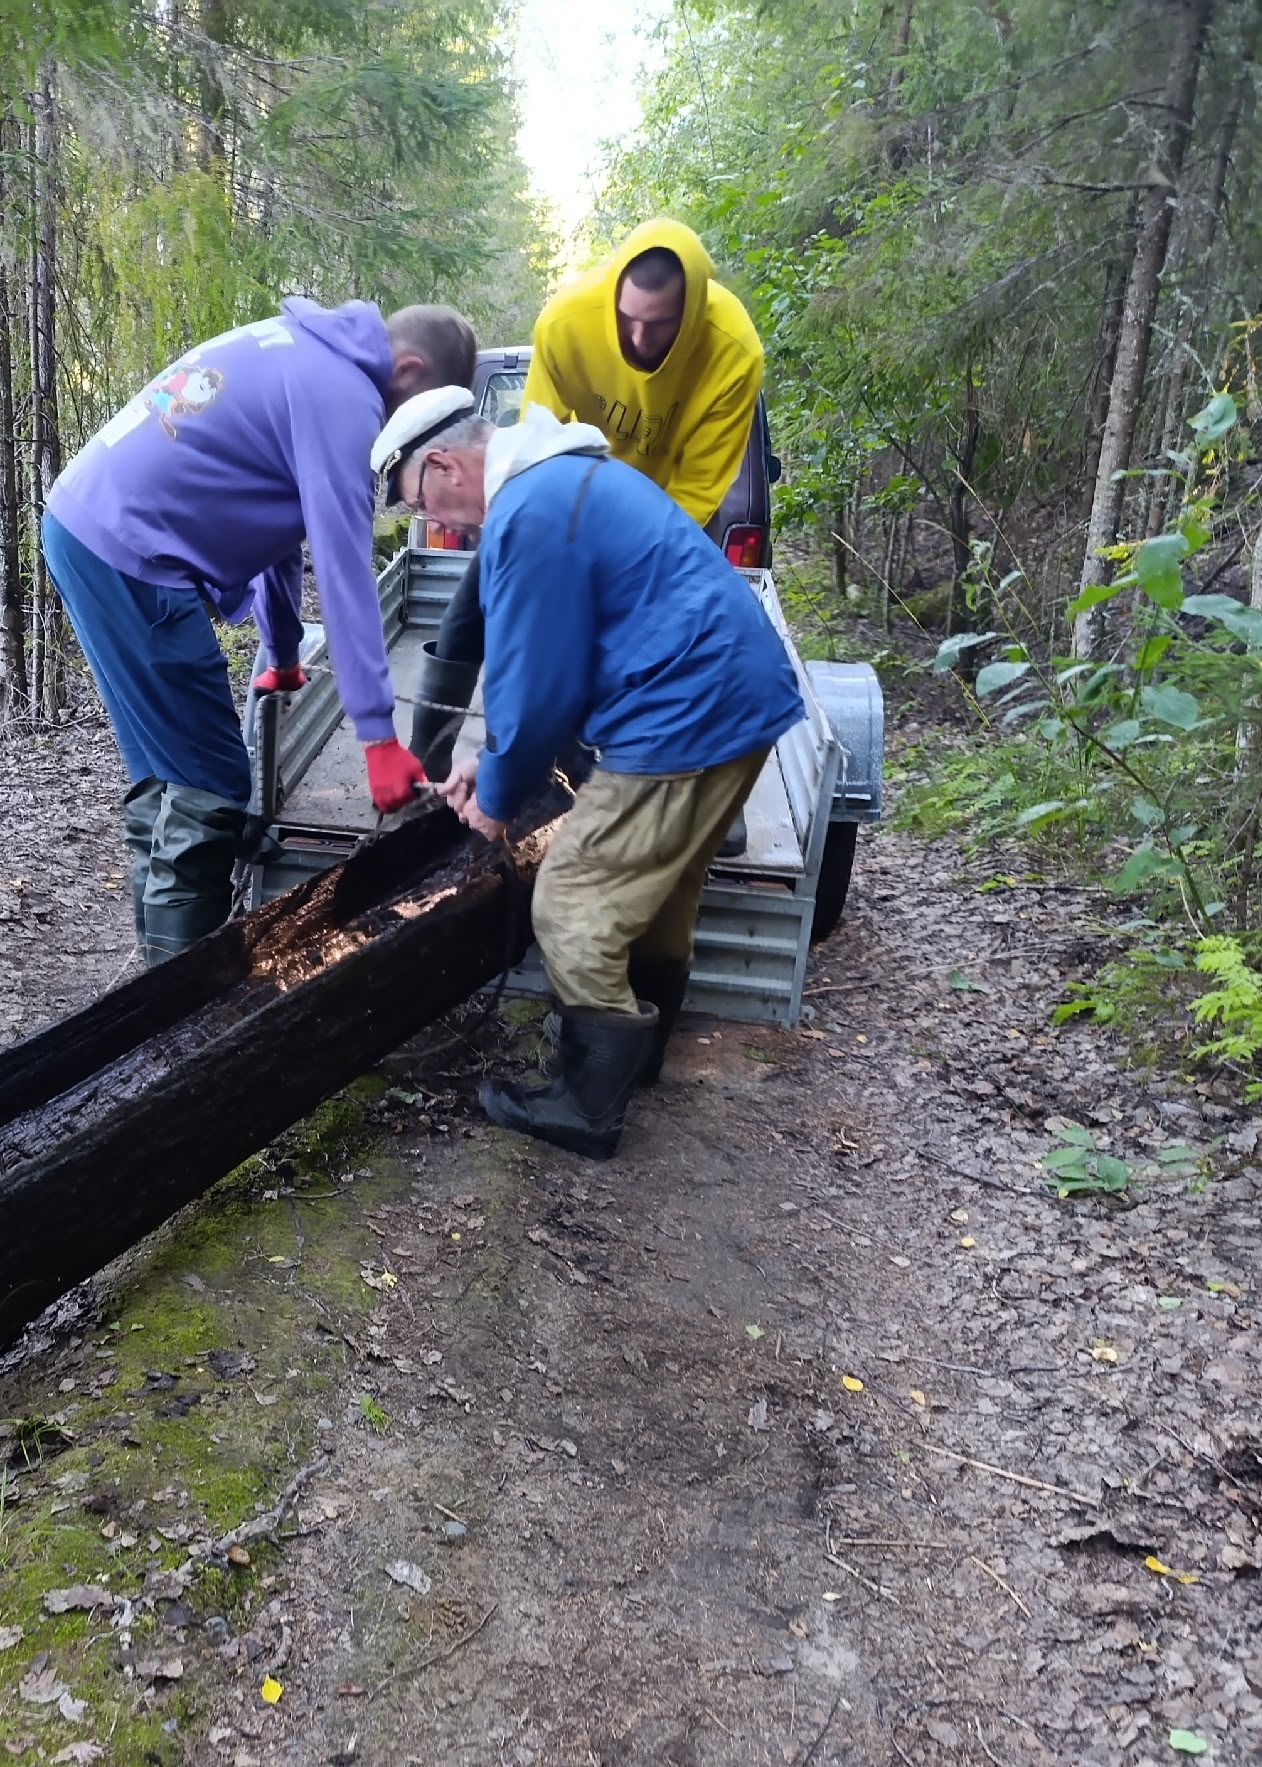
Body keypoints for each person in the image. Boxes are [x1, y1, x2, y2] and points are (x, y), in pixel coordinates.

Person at [371, 391, 803, 1159]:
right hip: (739, 701)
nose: (436, 521)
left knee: (572, 901)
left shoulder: (528, 510)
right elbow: (562, 662)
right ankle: (640, 1059)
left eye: (420, 501)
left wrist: (498, 798)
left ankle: (585, 1107)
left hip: (686, 718)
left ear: (442, 464)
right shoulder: (562, 478)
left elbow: (537, 684)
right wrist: (491, 761)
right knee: (662, 887)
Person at [43, 301, 479, 963]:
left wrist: (280, 652)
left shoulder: (300, 352)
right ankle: (176, 1011)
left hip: (83, 526)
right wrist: (379, 737)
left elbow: (275, 524)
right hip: (135, 554)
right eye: (419, 420)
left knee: (169, 778)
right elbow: (342, 572)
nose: (410, 446)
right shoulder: (346, 401)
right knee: (212, 784)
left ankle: (147, 988)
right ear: (411, 370)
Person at [408, 220, 765, 779]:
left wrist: (616, 574)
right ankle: (434, 767)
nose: (641, 339)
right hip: (558, 499)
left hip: (656, 515)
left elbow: (697, 490)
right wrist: (536, 555)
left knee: (627, 643)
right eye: (628, 320)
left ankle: (674, 767)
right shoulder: (568, 321)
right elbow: (534, 442)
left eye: (662, 324)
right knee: (483, 612)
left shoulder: (733, 350)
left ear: (692, 311)